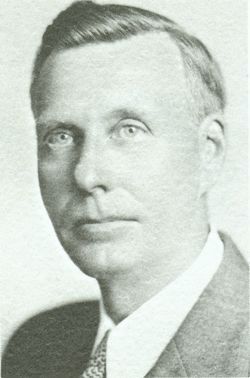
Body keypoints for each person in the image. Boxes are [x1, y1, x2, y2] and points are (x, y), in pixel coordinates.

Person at [2, 1, 249, 377]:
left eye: (129, 129)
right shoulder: (37, 346)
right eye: (61, 136)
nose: (86, 175)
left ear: (208, 152)